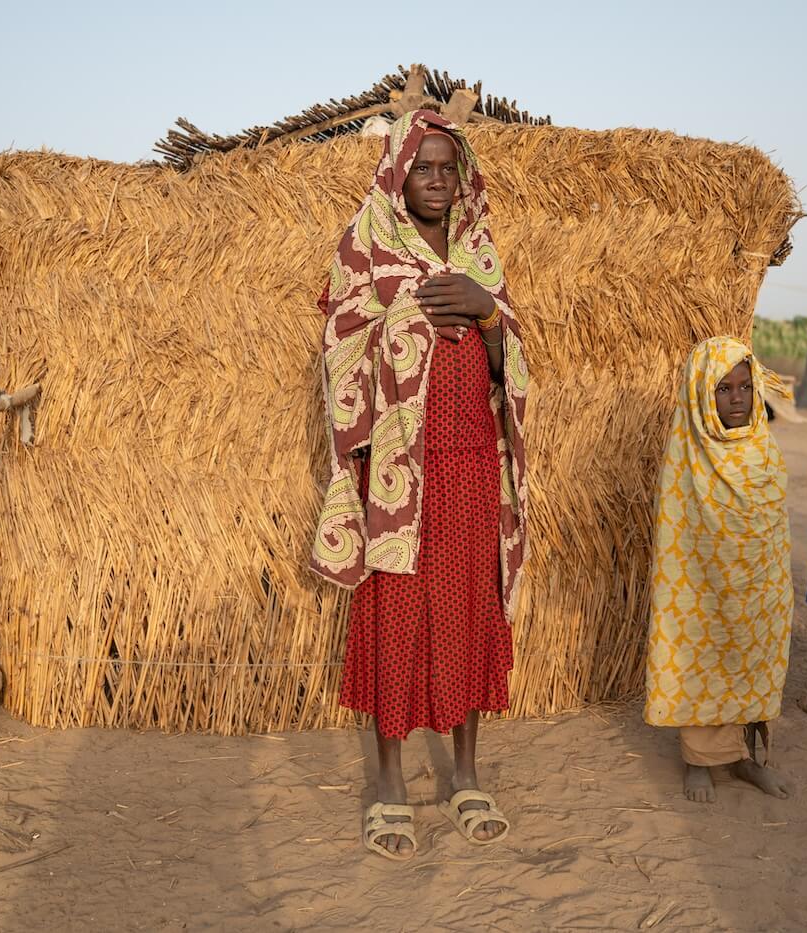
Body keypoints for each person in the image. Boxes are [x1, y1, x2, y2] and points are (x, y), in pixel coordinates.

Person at [310, 110, 531, 860]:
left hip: (471, 460)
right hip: (401, 471)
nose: (437, 180)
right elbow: (339, 340)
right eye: (424, 167)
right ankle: (392, 783)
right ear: (399, 171)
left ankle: (467, 773)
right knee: (396, 614)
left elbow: (515, 365)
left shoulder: (478, 251)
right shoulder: (366, 243)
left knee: (470, 608)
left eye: (448, 167)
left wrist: (486, 314)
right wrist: (408, 312)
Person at [644, 338, 795, 803]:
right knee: (702, 648)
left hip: (760, 580)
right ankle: (699, 761)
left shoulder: (762, 447)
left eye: (745, 387)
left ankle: (747, 758)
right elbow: (680, 528)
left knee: (753, 652)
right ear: (700, 394)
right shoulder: (688, 452)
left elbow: (774, 521)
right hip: (702, 582)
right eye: (723, 389)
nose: (736, 398)